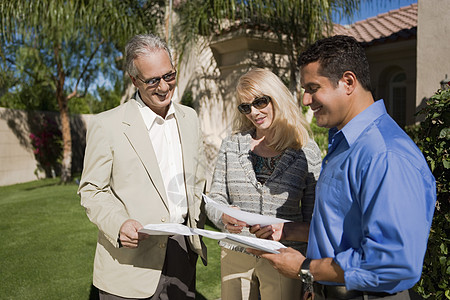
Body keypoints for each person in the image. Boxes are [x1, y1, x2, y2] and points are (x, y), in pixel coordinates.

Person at [248, 35, 436, 300]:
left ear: (348, 82)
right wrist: (288, 230)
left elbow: (390, 263)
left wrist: (305, 268)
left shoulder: (385, 154)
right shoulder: (346, 142)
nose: (305, 100)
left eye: (313, 88)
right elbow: (344, 228)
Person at [78, 33, 207, 299]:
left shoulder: (190, 118)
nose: (164, 87)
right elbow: (92, 190)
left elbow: (198, 183)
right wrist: (119, 224)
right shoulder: (107, 124)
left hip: (183, 254)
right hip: (129, 264)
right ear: (134, 80)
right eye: (152, 80)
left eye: (169, 76)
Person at [205, 68, 322, 300]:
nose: (254, 112)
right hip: (235, 253)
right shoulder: (231, 145)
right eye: (246, 107)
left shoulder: (307, 150)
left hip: (284, 256)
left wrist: (309, 277)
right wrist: (223, 216)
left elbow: (314, 220)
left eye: (260, 102)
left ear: (276, 96)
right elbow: (215, 198)